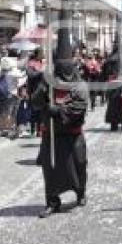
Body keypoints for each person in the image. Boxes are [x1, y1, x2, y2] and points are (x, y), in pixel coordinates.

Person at [38, 59, 88, 218]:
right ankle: (52, 202)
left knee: (79, 165)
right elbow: (35, 102)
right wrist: (42, 91)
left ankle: (80, 193)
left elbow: (79, 107)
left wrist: (58, 110)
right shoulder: (49, 84)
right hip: (51, 134)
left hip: (72, 134)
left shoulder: (80, 86)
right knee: (50, 168)